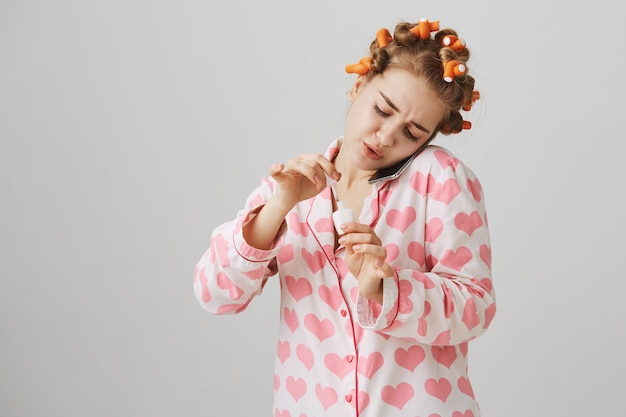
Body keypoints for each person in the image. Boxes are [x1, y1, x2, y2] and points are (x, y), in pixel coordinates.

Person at [194, 17, 496, 417]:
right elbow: (214, 293)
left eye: (412, 132)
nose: (387, 136)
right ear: (358, 85)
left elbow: (476, 306)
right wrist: (279, 207)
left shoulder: (440, 179)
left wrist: (388, 289)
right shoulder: (290, 188)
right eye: (382, 110)